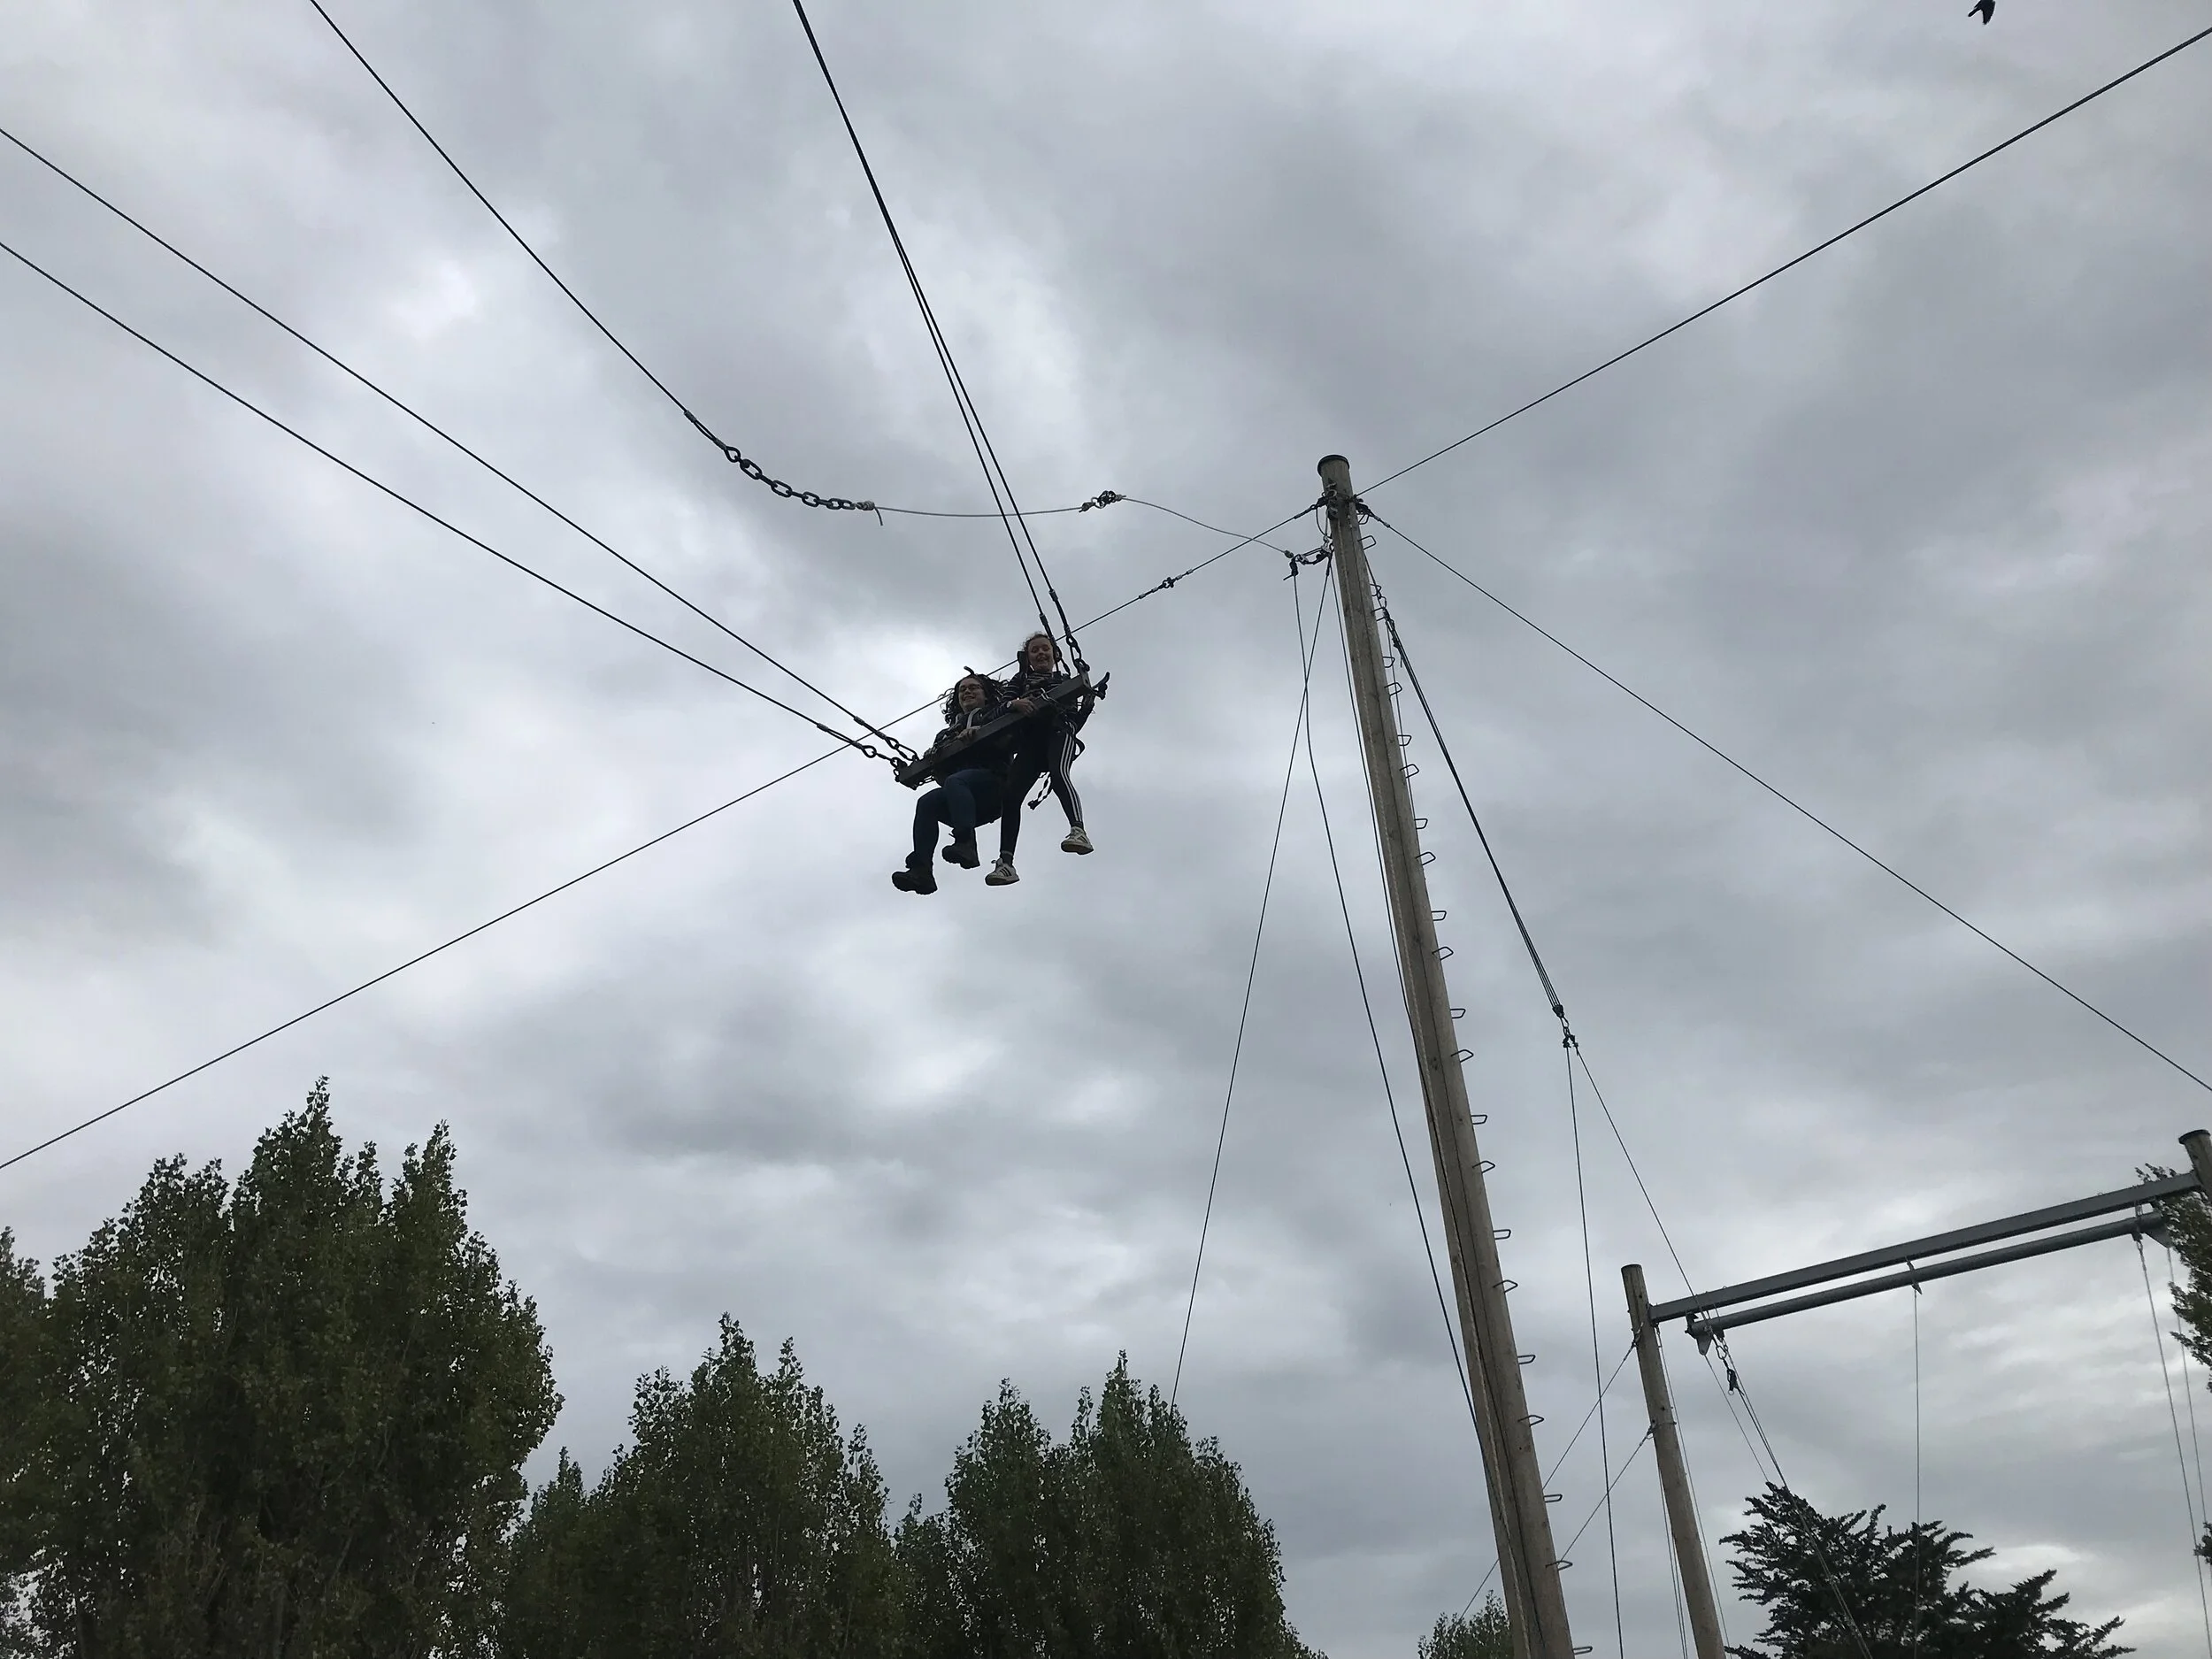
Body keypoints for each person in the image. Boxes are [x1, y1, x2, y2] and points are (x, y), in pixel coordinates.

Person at [892, 674, 1019, 895]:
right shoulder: (946, 734)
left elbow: (1011, 743)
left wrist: (980, 734)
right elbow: (943, 778)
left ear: (985, 694)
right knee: (928, 801)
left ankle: (966, 843)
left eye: (974, 688)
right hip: (962, 796)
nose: (967, 692)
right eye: (962, 690)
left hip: (994, 785)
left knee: (956, 781)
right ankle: (922, 869)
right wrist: (936, 758)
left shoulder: (995, 716)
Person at [985, 631, 1094, 886]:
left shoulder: (1063, 681)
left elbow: (1074, 720)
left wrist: (1087, 703)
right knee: (1011, 796)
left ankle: (1078, 830)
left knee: (1059, 774)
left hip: (1059, 730)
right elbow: (997, 711)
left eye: (1045, 649)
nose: (1041, 654)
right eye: (1035, 651)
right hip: (1030, 741)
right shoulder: (1019, 681)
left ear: (1055, 655)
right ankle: (1006, 863)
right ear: (1028, 658)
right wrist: (1015, 704)